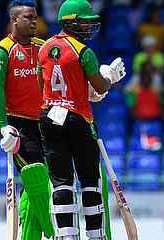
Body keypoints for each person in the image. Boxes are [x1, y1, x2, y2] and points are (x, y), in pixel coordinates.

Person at [38, 0, 126, 239]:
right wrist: (110, 77)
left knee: (61, 182)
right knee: (90, 180)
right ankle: (95, 234)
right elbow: (98, 86)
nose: (88, 28)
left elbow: (44, 88)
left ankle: (66, 234)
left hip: (48, 119)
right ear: (70, 22)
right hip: (78, 119)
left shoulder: (43, 49)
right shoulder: (83, 51)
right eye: (84, 23)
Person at [0, 1, 55, 239]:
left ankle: (30, 235)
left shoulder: (43, 47)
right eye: (28, 17)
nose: (35, 21)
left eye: (35, 17)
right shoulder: (1, 51)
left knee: (36, 185)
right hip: (18, 124)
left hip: (45, 121)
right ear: (14, 20)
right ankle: (51, 230)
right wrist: (3, 127)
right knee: (36, 174)